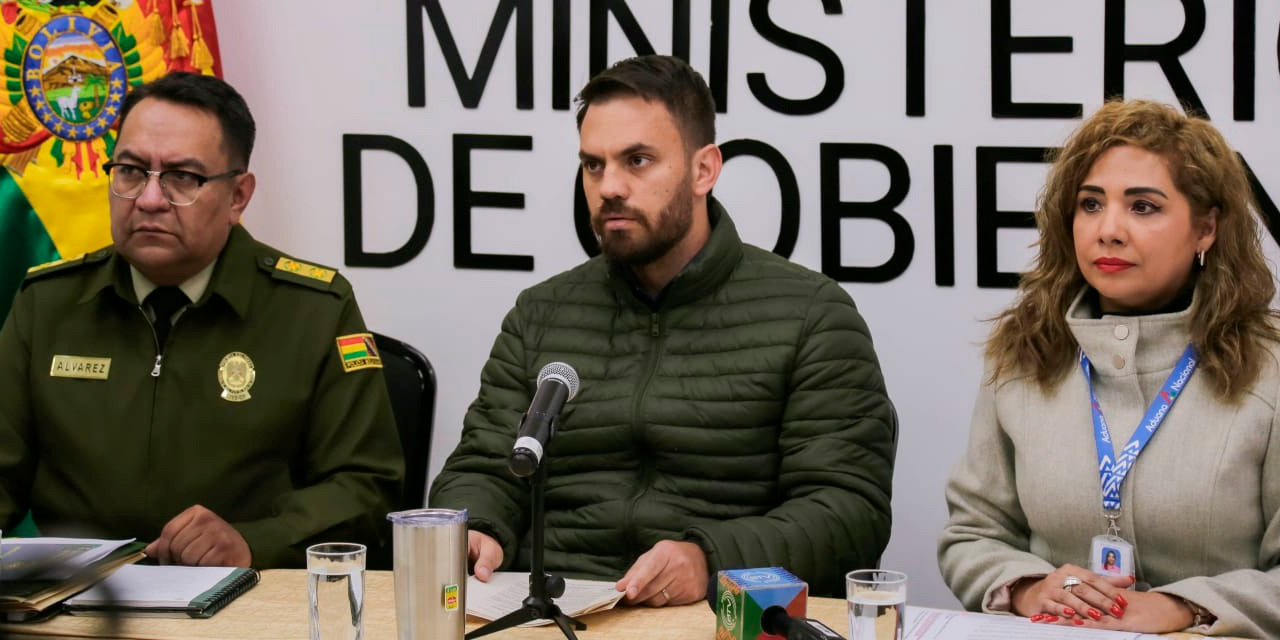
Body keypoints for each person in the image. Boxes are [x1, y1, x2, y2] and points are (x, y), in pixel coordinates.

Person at [428, 55, 895, 603]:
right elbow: (484, 462)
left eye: (638, 160)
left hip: (714, 614)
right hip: (546, 607)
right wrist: (478, 526)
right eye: (594, 165)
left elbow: (848, 511)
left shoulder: (811, 315)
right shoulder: (542, 313)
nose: (610, 188)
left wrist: (710, 559)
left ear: (704, 170)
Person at [0, 72, 403, 568]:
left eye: (181, 178)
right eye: (130, 171)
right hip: (77, 606)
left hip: (247, 604)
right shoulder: (49, 303)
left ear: (238, 197)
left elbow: (366, 488)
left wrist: (255, 542)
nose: (149, 199)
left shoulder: (313, 310)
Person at [938, 100, 1280, 637]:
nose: (1109, 230)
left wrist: (1185, 607)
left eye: (1143, 207)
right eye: (1091, 205)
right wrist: (1029, 588)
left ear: (1206, 229)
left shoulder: (1271, 367)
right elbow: (972, 534)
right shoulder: (1024, 352)